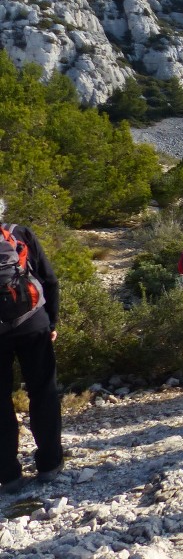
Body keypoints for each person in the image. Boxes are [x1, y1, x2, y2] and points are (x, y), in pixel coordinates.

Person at [0, 198, 63, 495]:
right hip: (32, 322)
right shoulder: (19, 233)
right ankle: (49, 465)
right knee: (43, 392)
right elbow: (49, 280)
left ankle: (8, 475)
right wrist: (51, 323)